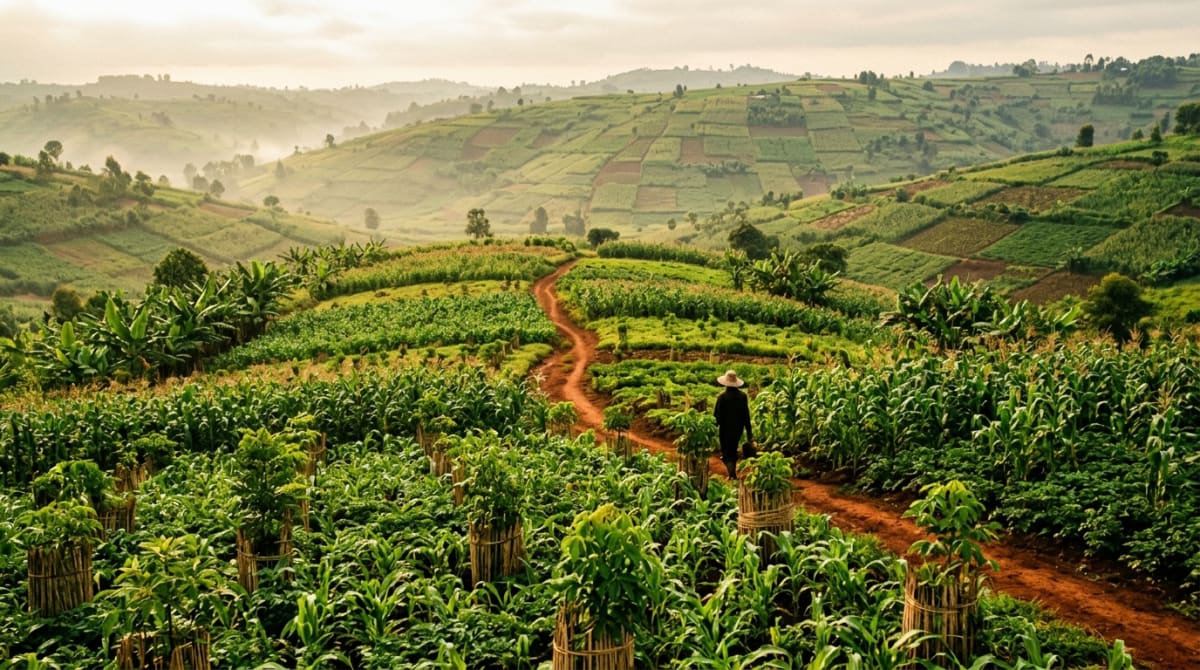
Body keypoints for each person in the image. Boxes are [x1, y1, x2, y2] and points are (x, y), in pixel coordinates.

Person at [713, 369, 755, 479]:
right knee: (733, 448)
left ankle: (732, 474)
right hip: (738, 429)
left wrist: (714, 428)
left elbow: (716, 415)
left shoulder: (722, 397)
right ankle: (732, 473)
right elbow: (746, 415)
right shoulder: (743, 396)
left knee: (727, 452)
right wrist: (749, 432)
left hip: (725, 429)